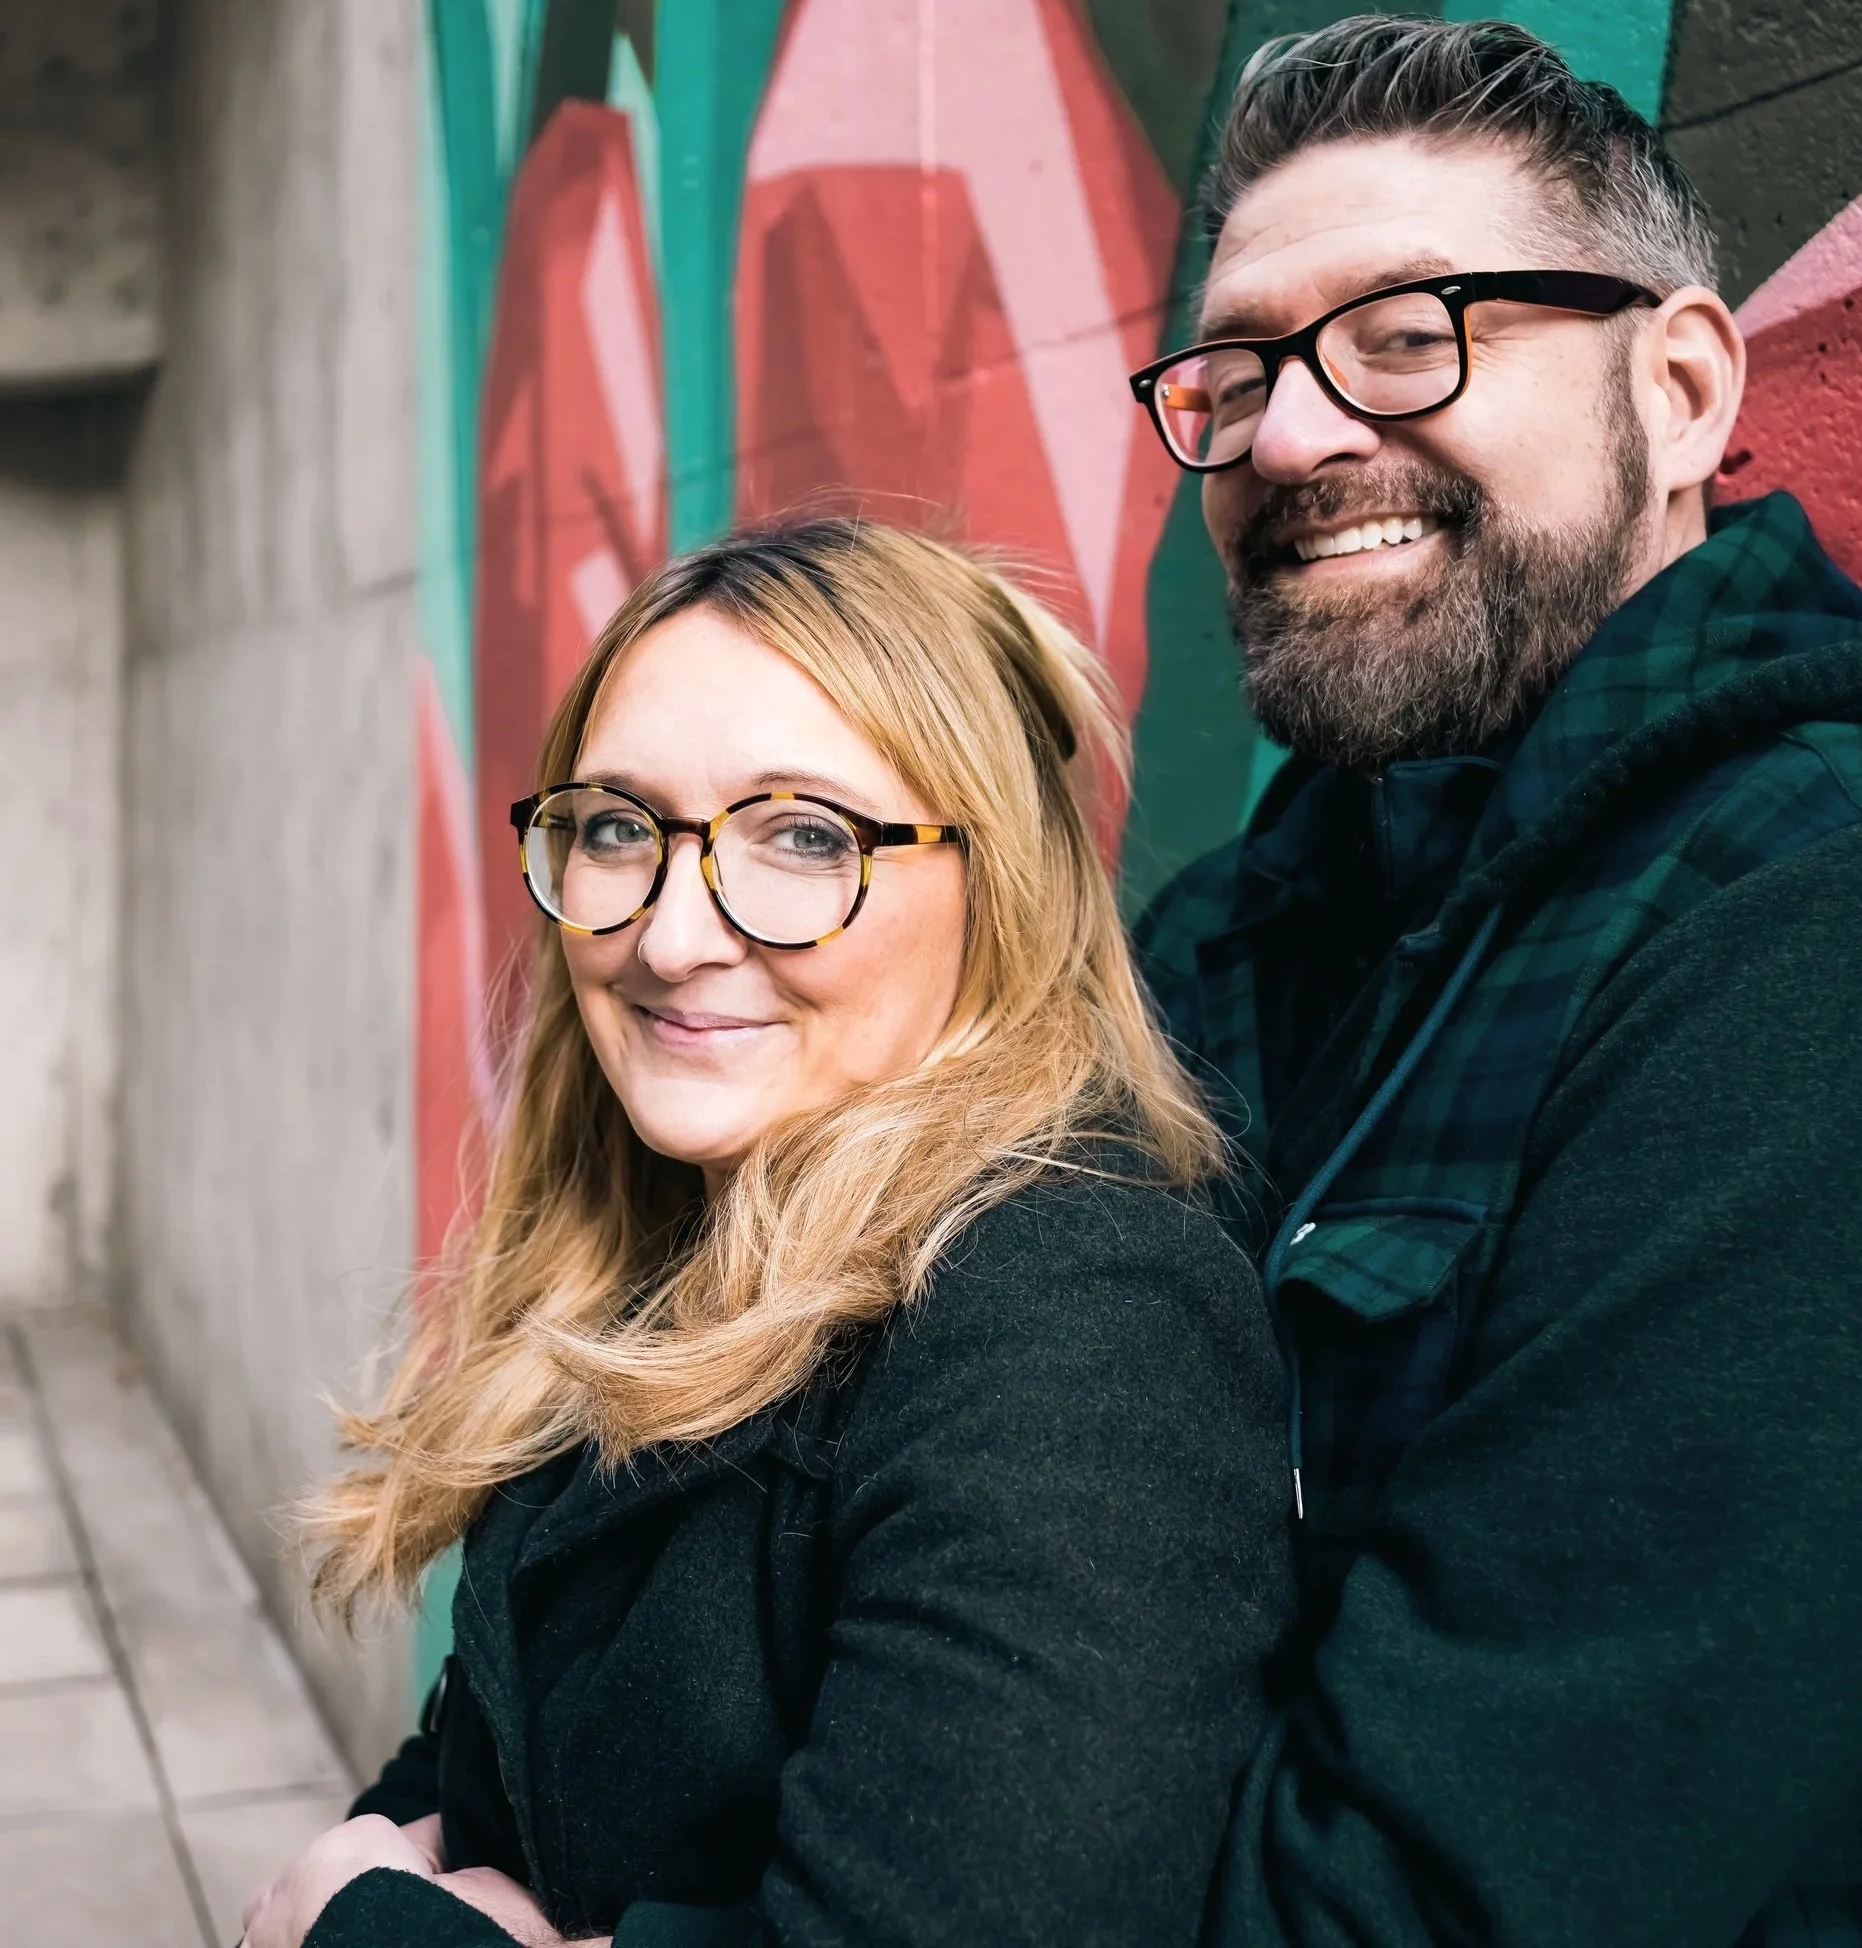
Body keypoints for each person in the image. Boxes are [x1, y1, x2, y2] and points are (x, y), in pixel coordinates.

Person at [1127, 15, 1862, 1945]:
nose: (1293, 436)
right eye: (1236, 373)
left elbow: (1450, 1902)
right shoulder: (1237, 940)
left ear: (1688, 386)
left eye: (1409, 334)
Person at [243, 521, 1291, 1948]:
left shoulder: (1073, 1315)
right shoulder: (676, 1228)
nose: (671, 935)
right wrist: (383, 1854)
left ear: (1002, 886)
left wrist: (357, 1928)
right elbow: (501, 1737)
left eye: (804, 837)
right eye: (618, 827)